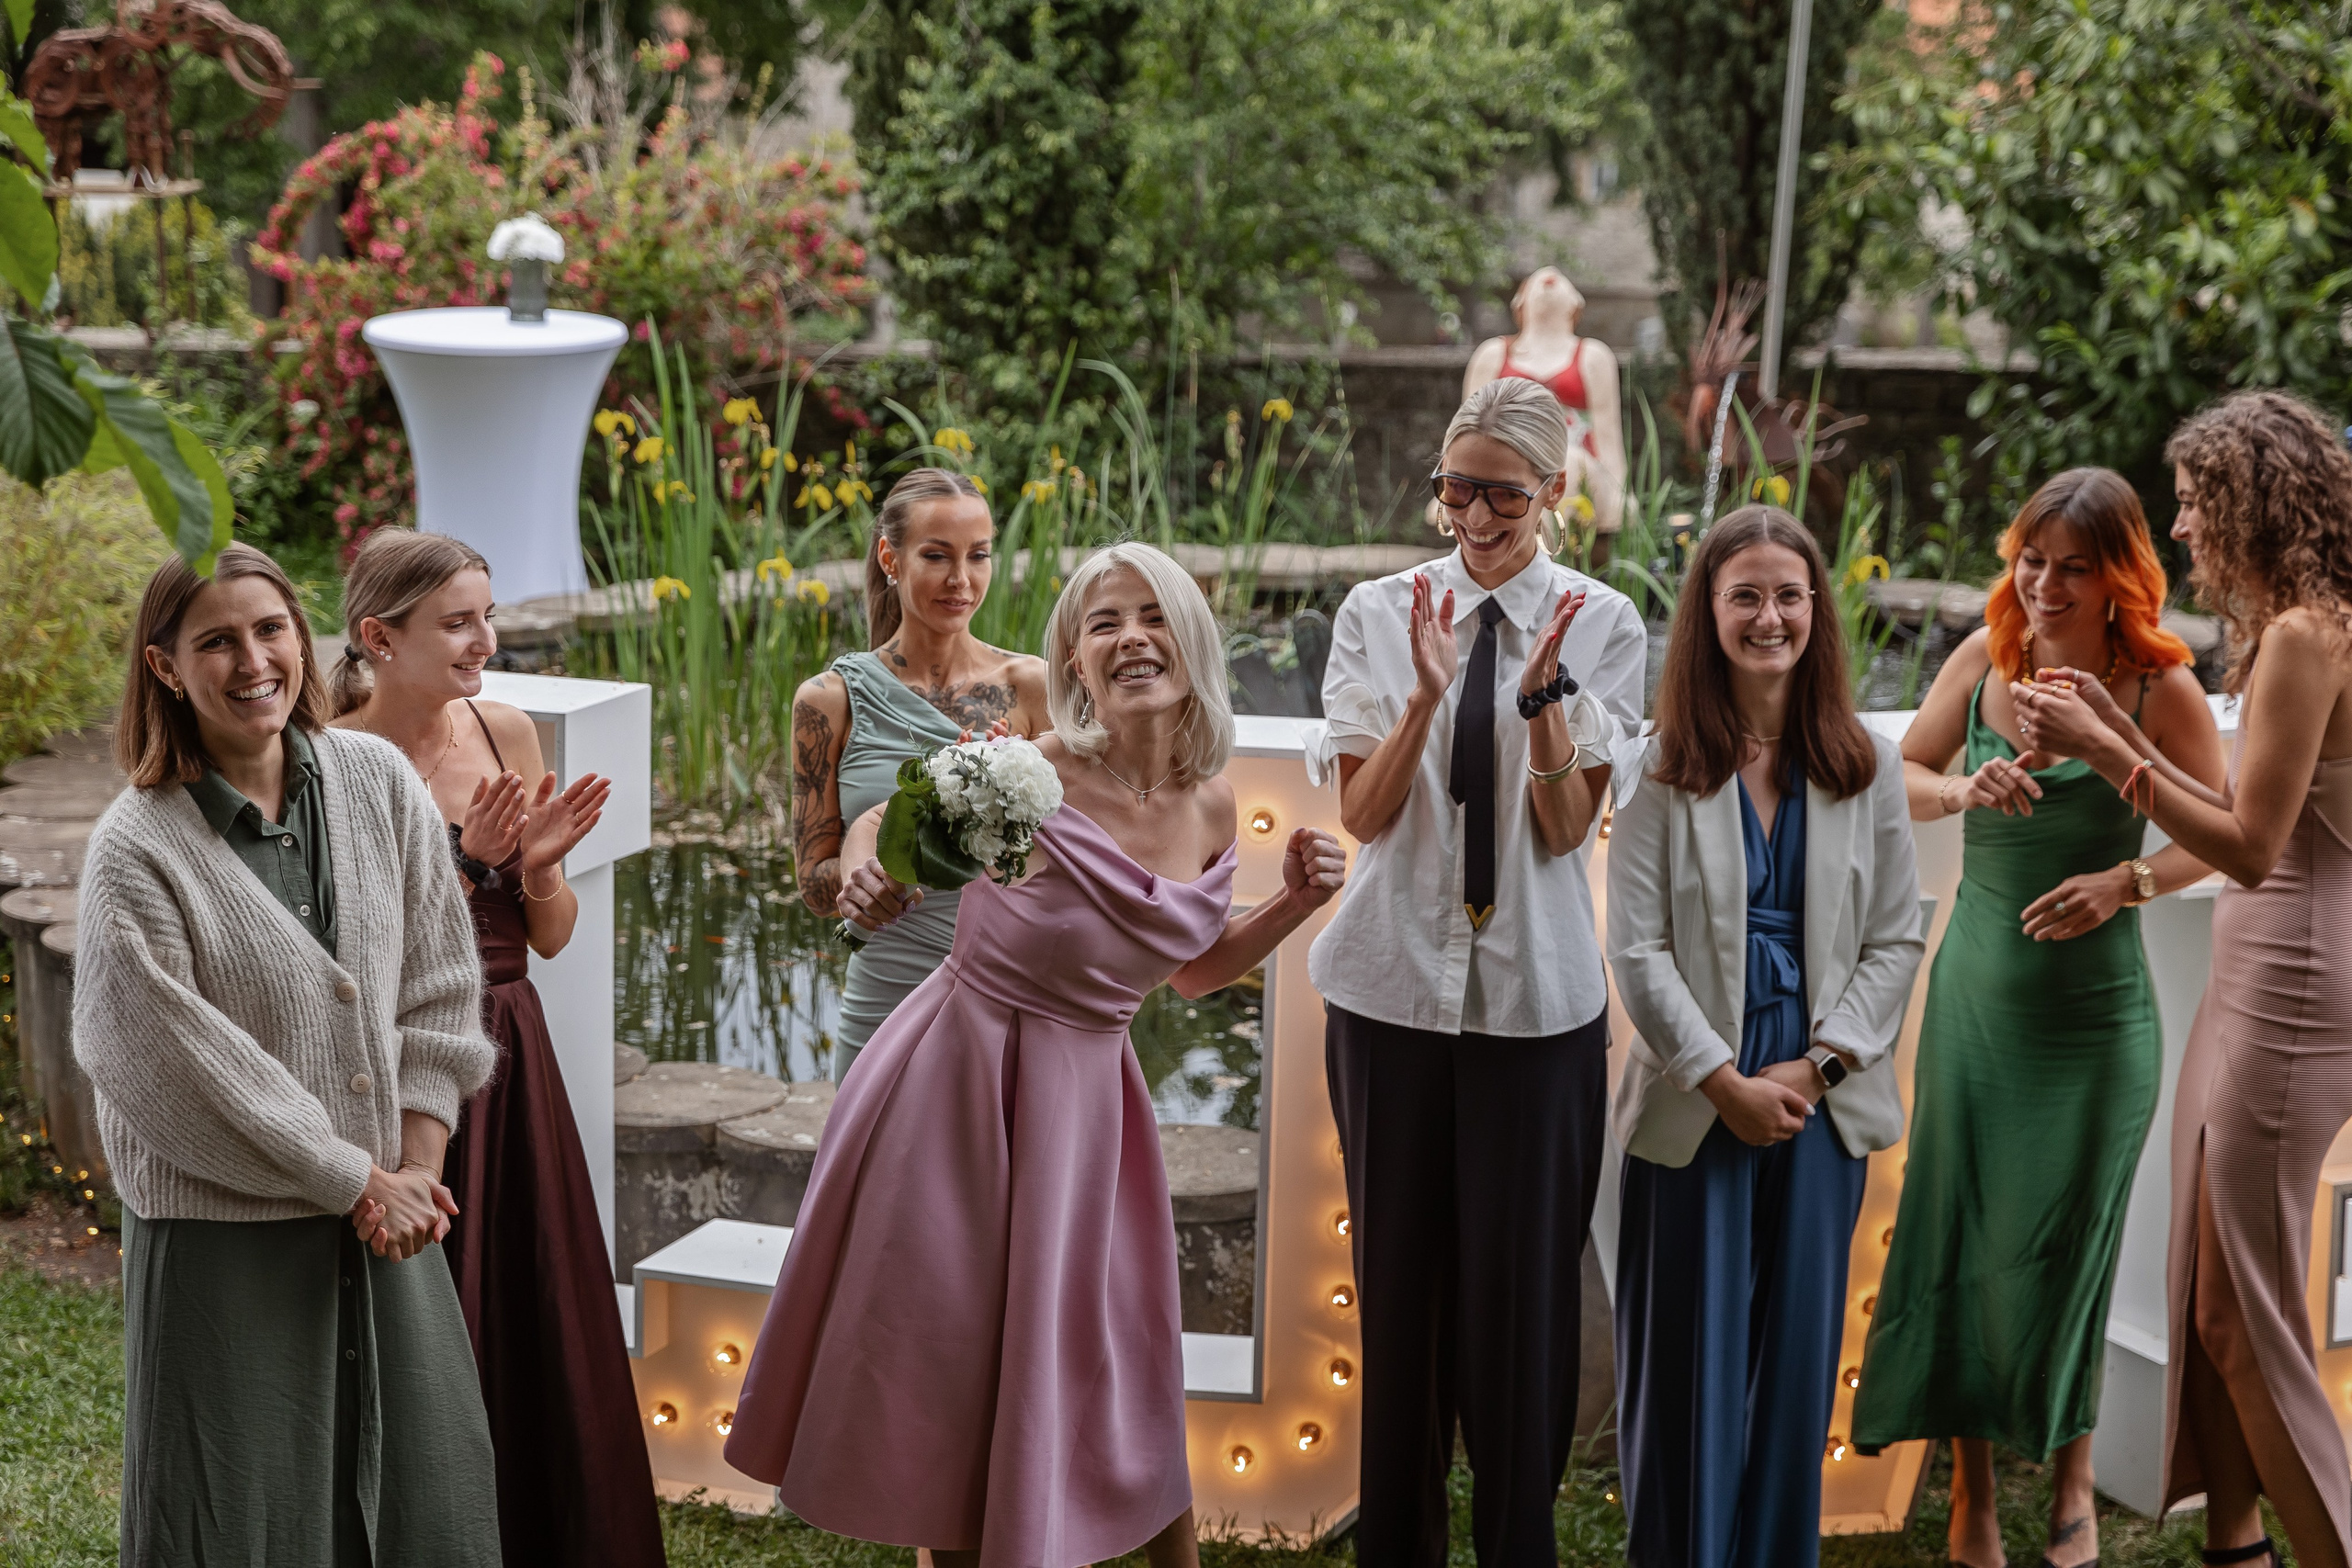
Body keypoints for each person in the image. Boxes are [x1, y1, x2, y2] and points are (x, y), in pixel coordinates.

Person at [725, 542, 1347, 1568]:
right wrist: (867, 877)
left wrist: (1294, 900)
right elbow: (886, 817)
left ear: (1190, 637)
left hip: (1091, 1105)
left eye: (1151, 615)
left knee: (1120, 1358)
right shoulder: (1031, 767)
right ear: (1075, 662)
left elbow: (1190, 972)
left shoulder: (1212, 802)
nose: (1130, 637)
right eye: (1102, 624)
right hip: (957, 1090)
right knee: (953, 1358)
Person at [75, 542, 501, 1566]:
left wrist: (417, 1173)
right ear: (165, 667)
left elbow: (441, 987)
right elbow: (173, 1068)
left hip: (391, 1224)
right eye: (215, 640)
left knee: (429, 1511)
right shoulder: (136, 850)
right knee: (239, 1529)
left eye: (269, 630)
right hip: (230, 1248)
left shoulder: (375, 780)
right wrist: (356, 1178)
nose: (253, 659)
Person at [1854, 468, 2225, 1566]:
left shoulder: (2161, 691)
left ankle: (2068, 1484)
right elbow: (1899, 775)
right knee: (1961, 1232)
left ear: (2120, 578)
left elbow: (2220, 833)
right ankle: (1970, 1494)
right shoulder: (1984, 662)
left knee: (2070, 1246)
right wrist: (1965, 791)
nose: (2045, 584)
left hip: (2098, 1024)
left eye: (2073, 567)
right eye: (2031, 559)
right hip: (1976, 998)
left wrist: (2127, 885)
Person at [1307, 376, 1647, 1564]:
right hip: (1389, 995)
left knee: (1522, 1310)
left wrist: (1547, 708)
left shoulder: (1606, 622)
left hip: (1536, 1011)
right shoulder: (1377, 609)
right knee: (1396, 1300)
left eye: (1503, 491)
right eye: (1457, 487)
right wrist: (1425, 699)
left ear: (1555, 491)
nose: (1475, 514)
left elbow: (1566, 832)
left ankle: (1518, 1541)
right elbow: (1362, 812)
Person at [2011, 392, 2352, 1568]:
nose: (2185, 526)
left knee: (2246, 1318)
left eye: (2201, 503)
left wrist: (2109, 751)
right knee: (2206, 1281)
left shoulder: (2312, 635)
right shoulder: (2293, 627)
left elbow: (2250, 848)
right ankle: (2238, 1546)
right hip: (2265, 962)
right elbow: (2242, 816)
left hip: (2298, 974)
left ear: (2257, 502)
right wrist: (2124, 733)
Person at [326, 529, 658, 1568]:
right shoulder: (329, 758)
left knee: (535, 1307)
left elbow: (547, 936)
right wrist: (470, 868)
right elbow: (345, 945)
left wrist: (542, 869)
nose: (484, 640)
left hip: (512, 1051)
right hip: (392, 1063)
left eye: (488, 615)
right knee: (423, 1320)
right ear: (380, 637)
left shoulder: (506, 730)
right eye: (458, 621)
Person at [1608, 505, 1925, 1568]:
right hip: (1696, 1092)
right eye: (1743, 594)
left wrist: (1818, 1063)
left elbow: (1896, 937)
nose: (1768, 616)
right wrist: (1720, 1079)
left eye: (1788, 594)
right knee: (1687, 1359)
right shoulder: (1661, 766)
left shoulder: (1866, 765)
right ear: (1708, 612)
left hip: (1819, 1100)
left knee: (1795, 1363)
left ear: (1815, 612)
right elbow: (1637, 949)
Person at [790, 468, 1048, 1079]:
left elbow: (1077, 852)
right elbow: (814, 885)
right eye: (937, 555)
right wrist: (860, 885)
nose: (962, 580)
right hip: (885, 999)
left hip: (1008, 994)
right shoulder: (829, 700)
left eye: (978, 556)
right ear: (891, 556)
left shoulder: (1032, 688)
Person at [1464, 265, 1628, 539]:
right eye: (1535, 281)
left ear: (1576, 303)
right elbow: (1466, 429)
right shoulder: (1492, 354)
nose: (1549, 277)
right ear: (1520, 303)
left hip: (1575, 462)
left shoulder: (1594, 356)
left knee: (1564, 461)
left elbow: (1608, 435)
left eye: (1561, 281)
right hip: (1506, 460)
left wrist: (1619, 494)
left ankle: (1541, 557)